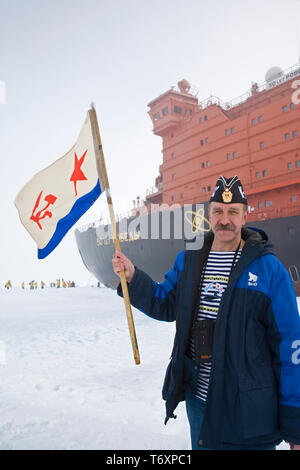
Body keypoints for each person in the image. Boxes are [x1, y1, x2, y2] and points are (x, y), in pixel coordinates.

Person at [112, 175, 300, 450]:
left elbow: (291, 347)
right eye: (218, 211)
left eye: (233, 211)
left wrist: (295, 425)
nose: (225, 219)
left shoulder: (269, 270)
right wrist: (132, 277)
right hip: (200, 405)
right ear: (209, 214)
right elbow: (164, 302)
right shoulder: (190, 260)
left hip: (250, 412)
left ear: (245, 216)